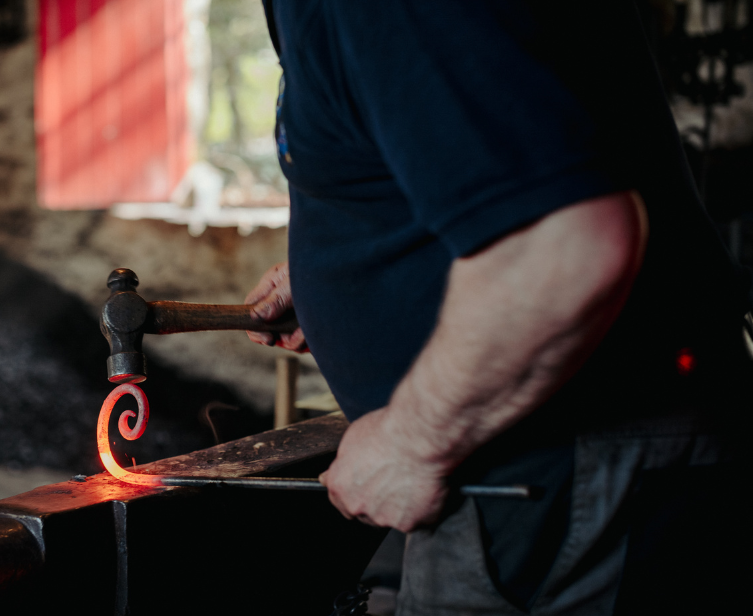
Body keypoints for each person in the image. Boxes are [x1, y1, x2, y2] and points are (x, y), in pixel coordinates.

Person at [243, 1, 753, 614]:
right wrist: (366, 267)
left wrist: (411, 442)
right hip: (542, 474)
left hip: (563, 470)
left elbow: (566, 246)